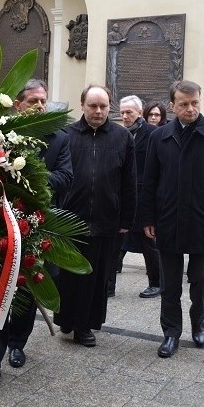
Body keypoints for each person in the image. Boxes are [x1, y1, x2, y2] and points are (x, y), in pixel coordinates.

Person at [0, 79, 72, 382]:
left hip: (37, 222)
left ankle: (17, 344)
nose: (40, 106)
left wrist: (30, 180)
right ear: (18, 105)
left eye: (43, 100)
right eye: (33, 101)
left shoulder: (60, 138)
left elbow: (65, 176)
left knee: (28, 286)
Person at [140, 80, 204, 358]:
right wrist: (148, 217)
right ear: (172, 105)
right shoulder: (159, 137)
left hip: (203, 220)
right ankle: (171, 332)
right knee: (169, 283)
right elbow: (150, 181)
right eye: (183, 104)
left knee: (201, 280)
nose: (190, 108)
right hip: (168, 218)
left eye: (194, 103)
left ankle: (198, 321)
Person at [55, 84, 136, 347]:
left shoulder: (122, 138)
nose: (99, 111)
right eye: (93, 106)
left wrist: (126, 219)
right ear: (82, 106)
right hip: (70, 218)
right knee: (67, 275)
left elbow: (129, 181)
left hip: (105, 219)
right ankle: (66, 319)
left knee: (95, 276)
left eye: (103, 106)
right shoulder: (66, 135)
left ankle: (84, 326)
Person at [108, 95, 161, 299]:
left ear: (140, 112)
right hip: (120, 194)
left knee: (148, 242)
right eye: (122, 112)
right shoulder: (119, 134)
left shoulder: (153, 134)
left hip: (144, 195)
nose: (125, 116)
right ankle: (108, 285)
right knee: (115, 243)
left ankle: (156, 283)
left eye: (129, 112)